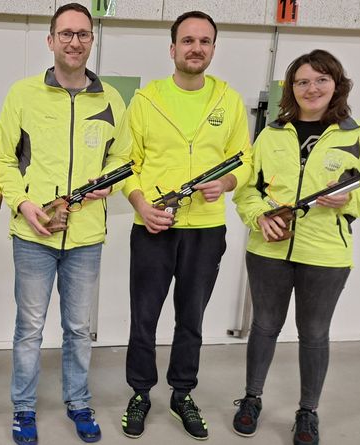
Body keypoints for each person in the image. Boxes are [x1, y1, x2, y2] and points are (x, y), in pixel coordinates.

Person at [231, 49, 360, 445]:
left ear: (336, 85)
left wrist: (350, 201)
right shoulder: (271, 134)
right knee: (264, 326)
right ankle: (251, 399)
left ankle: (308, 412)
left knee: (314, 333)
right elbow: (248, 190)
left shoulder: (358, 136)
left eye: (321, 80)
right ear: (291, 89)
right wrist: (259, 218)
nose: (311, 88)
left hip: (326, 255)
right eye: (302, 81)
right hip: (269, 249)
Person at [0, 3, 131, 444]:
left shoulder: (111, 98)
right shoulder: (23, 94)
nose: (75, 42)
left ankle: (78, 400)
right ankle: (24, 408)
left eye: (83, 34)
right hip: (33, 234)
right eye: (66, 34)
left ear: (92, 41)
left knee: (77, 328)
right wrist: (22, 205)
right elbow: (3, 160)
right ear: (51, 40)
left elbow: (123, 157)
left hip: (86, 236)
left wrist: (108, 184)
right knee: (29, 328)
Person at [118, 10, 252, 441]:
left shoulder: (228, 100)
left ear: (213, 48)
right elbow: (125, 163)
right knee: (144, 317)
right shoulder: (147, 99)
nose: (196, 48)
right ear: (172, 48)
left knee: (191, 317)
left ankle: (182, 393)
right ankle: (140, 392)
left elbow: (245, 159)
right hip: (154, 227)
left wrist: (228, 181)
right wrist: (142, 205)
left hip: (206, 230)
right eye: (188, 41)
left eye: (205, 41)